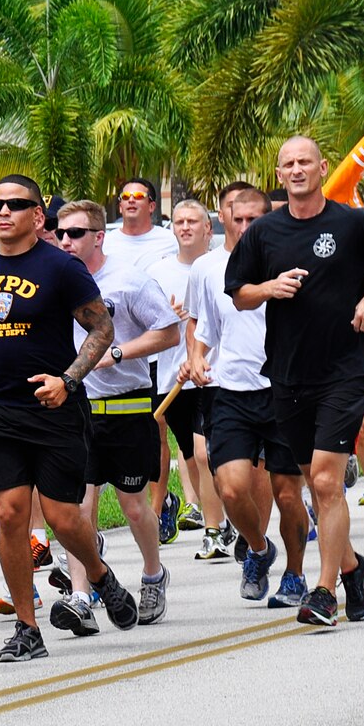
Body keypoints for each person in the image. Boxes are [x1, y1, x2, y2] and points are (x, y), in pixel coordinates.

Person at [227, 136, 364, 628]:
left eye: (305, 161)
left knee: (328, 481)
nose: (297, 169)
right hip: (287, 374)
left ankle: (324, 592)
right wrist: (267, 288)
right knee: (316, 484)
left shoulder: (354, 223)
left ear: (323, 167)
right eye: (288, 164)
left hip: (347, 369)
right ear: (279, 174)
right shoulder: (263, 232)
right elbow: (239, 294)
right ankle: (354, 567)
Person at [0, 174, 141, 661]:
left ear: (38, 216)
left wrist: (70, 380)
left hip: (53, 407)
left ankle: (99, 575)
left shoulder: (61, 267)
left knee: (61, 518)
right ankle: (26, 627)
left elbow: (102, 327)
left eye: (15, 205)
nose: (2, 213)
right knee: (10, 514)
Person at [50, 199, 181, 628]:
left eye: (76, 233)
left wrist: (118, 352)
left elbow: (167, 331)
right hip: (75, 408)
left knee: (135, 508)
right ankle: (82, 597)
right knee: (76, 509)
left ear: (98, 236)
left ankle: (152, 574)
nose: (65, 241)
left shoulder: (128, 281)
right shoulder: (54, 281)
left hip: (127, 406)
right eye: (61, 233)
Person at [189, 182, 311, 605]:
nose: (244, 226)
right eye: (236, 218)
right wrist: (198, 357)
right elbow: (204, 327)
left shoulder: (290, 260)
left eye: (253, 219)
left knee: (287, 492)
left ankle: (295, 575)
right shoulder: (207, 268)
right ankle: (259, 549)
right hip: (231, 391)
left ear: (268, 219)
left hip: (285, 389)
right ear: (223, 218)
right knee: (232, 488)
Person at [146, 200, 224, 552]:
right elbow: (142, 321)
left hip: (213, 375)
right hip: (171, 377)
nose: (185, 227)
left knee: (206, 452)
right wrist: (165, 315)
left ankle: (217, 528)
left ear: (208, 228)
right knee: (193, 457)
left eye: (193, 221)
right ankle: (217, 518)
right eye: (179, 221)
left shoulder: (220, 265)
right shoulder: (157, 272)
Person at [105, 177, 179, 271]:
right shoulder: (106, 243)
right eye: (125, 196)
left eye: (139, 196)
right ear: (120, 207)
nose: (131, 200)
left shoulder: (170, 241)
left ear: (151, 206)